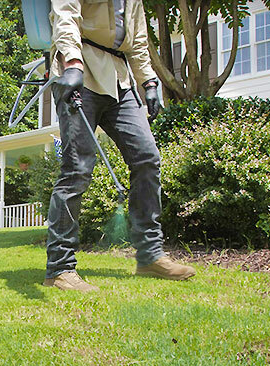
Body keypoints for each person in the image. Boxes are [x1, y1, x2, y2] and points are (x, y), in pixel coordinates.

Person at [42, 0, 196, 292]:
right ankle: (59, 268)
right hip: (80, 72)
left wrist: (149, 82)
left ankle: (150, 256)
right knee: (77, 169)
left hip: (120, 79)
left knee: (147, 158)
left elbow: (137, 39)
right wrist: (72, 64)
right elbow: (65, 17)